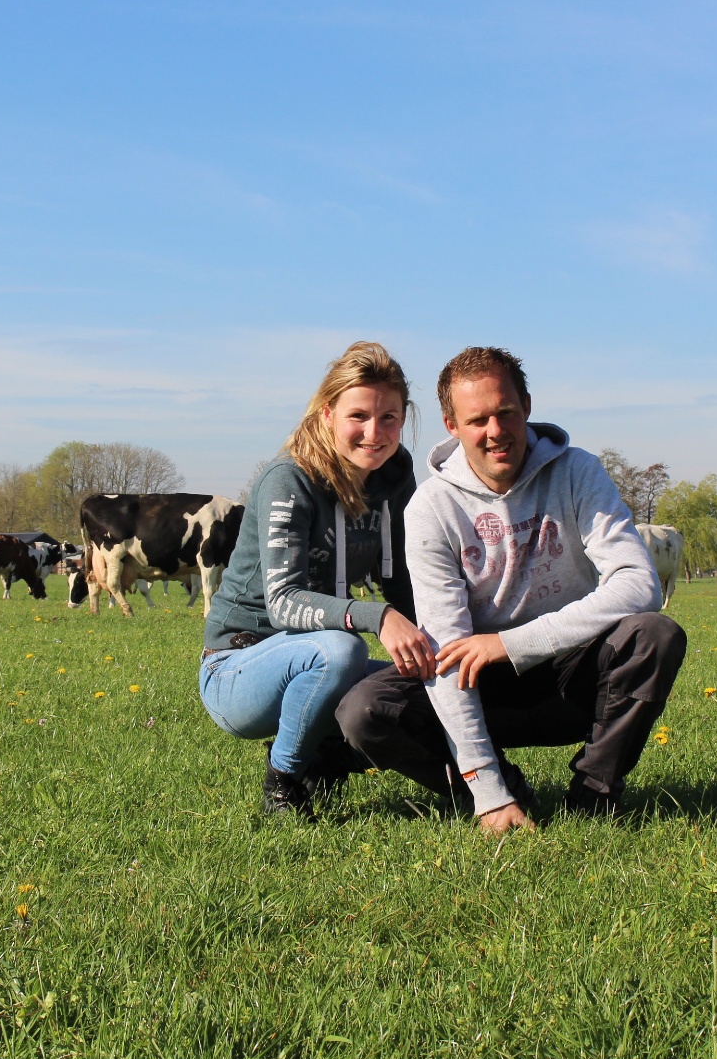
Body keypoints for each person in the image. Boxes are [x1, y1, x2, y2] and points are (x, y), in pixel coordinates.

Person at [336, 346, 687, 834]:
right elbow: (444, 649)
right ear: (451, 426)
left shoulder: (578, 472)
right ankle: (506, 793)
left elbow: (638, 583)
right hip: (479, 684)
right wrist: (488, 790)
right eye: (477, 419)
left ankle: (594, 795)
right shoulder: (430, 509)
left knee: (655, 635)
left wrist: (512, 643)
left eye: (505, 412)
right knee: (364, 711)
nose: (495, 431)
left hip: (572, 672)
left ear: (526, 406)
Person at [201, 341, 435, 818]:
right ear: (327, 414)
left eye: (389, 417)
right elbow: (284, 601)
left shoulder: (394, 477)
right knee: (341, 649)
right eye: (358, 416)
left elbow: (402, 579)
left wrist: (439, 642)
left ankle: (334, 756)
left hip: (323, 658)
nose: (375, 433)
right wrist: (380, 617)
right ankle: (284, 783)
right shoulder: (290, 478)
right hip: (239, 666)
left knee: (426, 681)